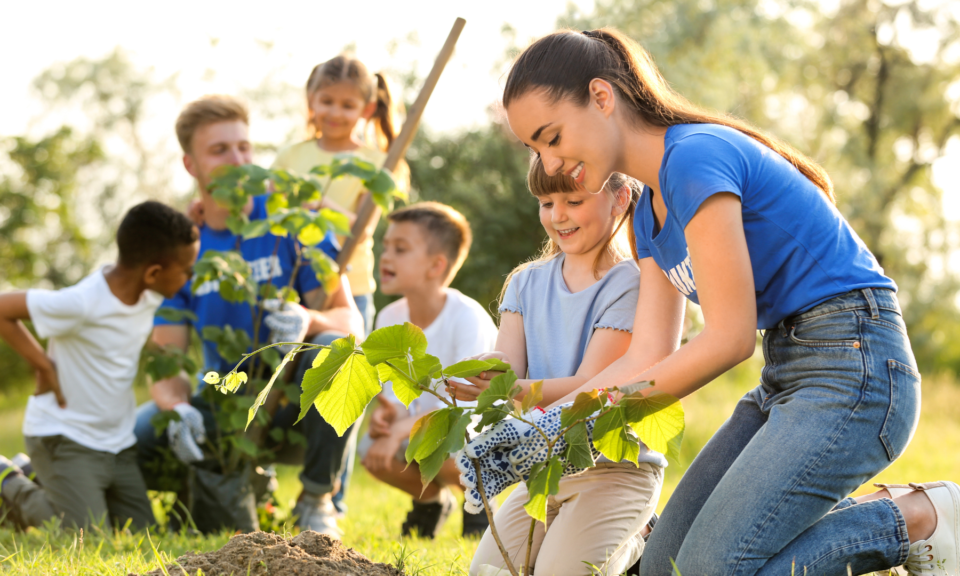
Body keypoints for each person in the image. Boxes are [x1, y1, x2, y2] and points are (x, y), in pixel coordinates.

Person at [492, 28, 960, 576]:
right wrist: (557, 418)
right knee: (664, 567)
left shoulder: (694, 158)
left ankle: (914, 520)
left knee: (705, 572)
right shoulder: (646, 214)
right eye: (535, 149)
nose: (549, 164)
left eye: (551, 138)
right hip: (789, 370)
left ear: (602, 98)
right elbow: (643, 357)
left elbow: (729, 338)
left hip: (855, 365)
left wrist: (574, 421)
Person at [133, 95, 365, 538]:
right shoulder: (184, 251)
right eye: (220, 150)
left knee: (341, 356)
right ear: (190, 165)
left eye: (243, 147)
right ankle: (219, 492)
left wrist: (307, 320)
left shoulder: (292, 224)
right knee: (143, 432)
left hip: (294, 406)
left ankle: (316, 500)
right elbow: (166, 360)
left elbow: (350, 322)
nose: (238, 160)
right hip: (225, 406)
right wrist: (177, 407)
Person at [450, 161, 668, 576]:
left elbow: (590, 387)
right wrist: (479, 375)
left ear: (619, 199)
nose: (558, 215)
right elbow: (508, 367)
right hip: (545, 467)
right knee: (488, 573)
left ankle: (639, 539)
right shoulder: (525, 282)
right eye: (547, 202)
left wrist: (510, 388)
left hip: (614, 470)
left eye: (573, 200)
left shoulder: (628, 283)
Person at [0, 201, 199, 531]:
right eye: (187, 271)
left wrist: (196, 216)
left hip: (117, 444)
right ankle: (10, 483)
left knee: (143, 534)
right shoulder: (82, 303)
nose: (190, 278)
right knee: (88, 536)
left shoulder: (147, 291)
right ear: (153, 273)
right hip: (64, 436)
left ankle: (42, 476)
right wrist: (44, 366)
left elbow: (169, 247)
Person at [357, 202, 497, 539]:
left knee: (450, 452)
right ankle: (430, 502)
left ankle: (480, 506)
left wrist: (398, 432)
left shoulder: (467, 317)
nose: (385, 256)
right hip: (421, 430)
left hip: (474, 433)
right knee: (370, 451)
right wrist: (387, 416)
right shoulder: (388, 317)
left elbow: (465, 407)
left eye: (400, 249)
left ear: (436, 265)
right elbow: (396, 394)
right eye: (385, 246)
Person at [272, 53, 409, 338]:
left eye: (347, 105)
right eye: (327, 101)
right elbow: (268, 213)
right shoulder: (290, 157)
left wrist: (319, 205)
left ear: (367, 109)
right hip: (291, 288)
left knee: (341, 371)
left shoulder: (376, 164)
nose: (335, 113)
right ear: (311, 100)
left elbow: (360, 231)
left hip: (350, 290)